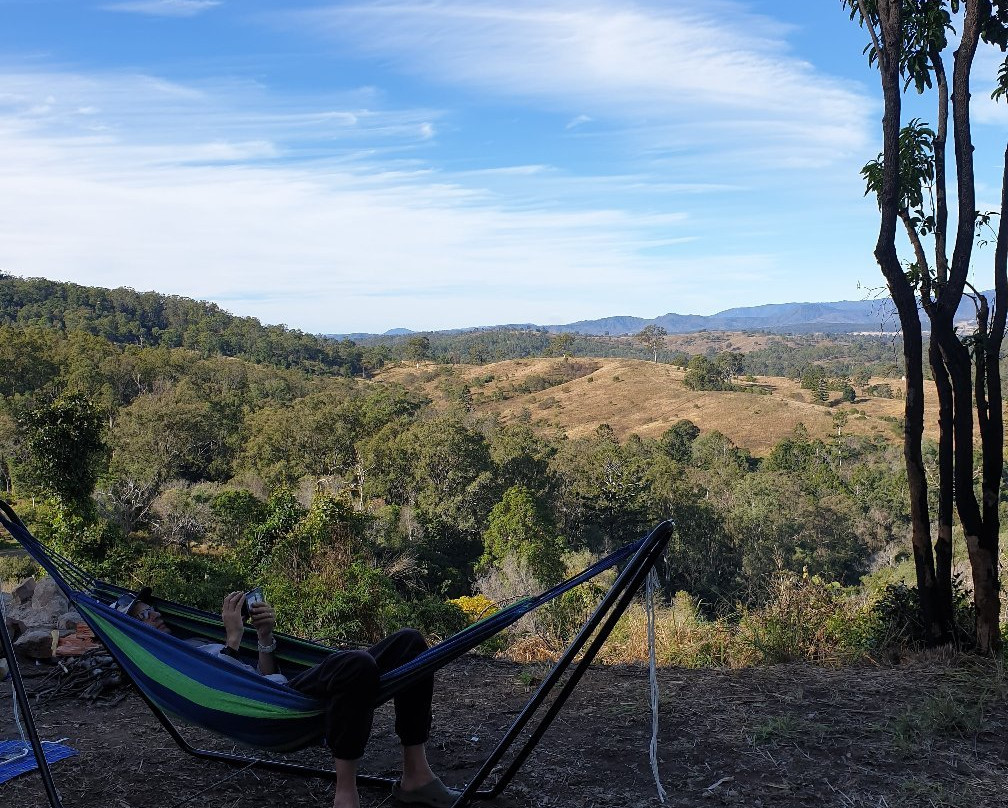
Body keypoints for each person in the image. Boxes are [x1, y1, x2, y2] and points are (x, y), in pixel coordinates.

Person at [113, 590, 460, 808]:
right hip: (266, 707)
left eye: (151, 608)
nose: (154, 614)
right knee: (357, 665)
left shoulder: (188, 640)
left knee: (410, 643)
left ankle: (416, 774)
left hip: (280, 692)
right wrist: (233, 638)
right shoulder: (169, 657)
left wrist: (264, 636)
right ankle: (345, 794)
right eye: (143, 615)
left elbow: (264, 677)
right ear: (135, 632)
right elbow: (221, 688)